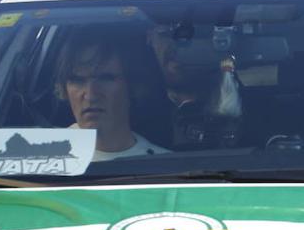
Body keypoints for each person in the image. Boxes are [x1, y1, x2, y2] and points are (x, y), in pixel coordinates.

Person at [55, 31, 168, 161]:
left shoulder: (163, 166)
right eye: (77, 80)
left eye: (105, 79)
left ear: (132, 87)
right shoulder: (41, 157)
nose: (90, 96)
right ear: (64, 89)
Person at [143, 23, 243, 148]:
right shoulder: (133, 119)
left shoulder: (257, 114)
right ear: (149, 38)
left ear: (217, 42)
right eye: (165, 33)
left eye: (192, 35)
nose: (176, 45)